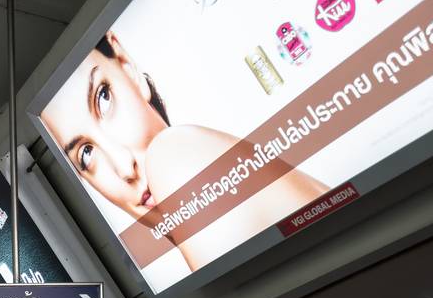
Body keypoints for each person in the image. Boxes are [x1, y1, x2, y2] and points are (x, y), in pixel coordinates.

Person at [38, 32, 327, 275]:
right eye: (86, 155)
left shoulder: (175, 156)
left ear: (127, 66)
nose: (124, 167)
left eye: (104, 98)